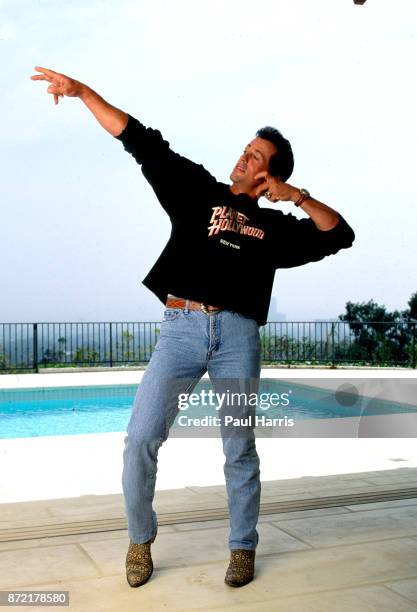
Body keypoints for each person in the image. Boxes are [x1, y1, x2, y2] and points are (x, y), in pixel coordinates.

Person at [31, 66, 355, 589]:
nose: (243, 157)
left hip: (237, 337)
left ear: (269, 174)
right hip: (181, 327)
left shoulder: (274, 229)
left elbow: (339, 234)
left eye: (256, 156)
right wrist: (85, 92)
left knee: (238, 446)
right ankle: (140, 541)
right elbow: (142, 141)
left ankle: (242, 548)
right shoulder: (197, 192)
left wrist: (294, 197)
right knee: (139, 437)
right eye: (246, 149)